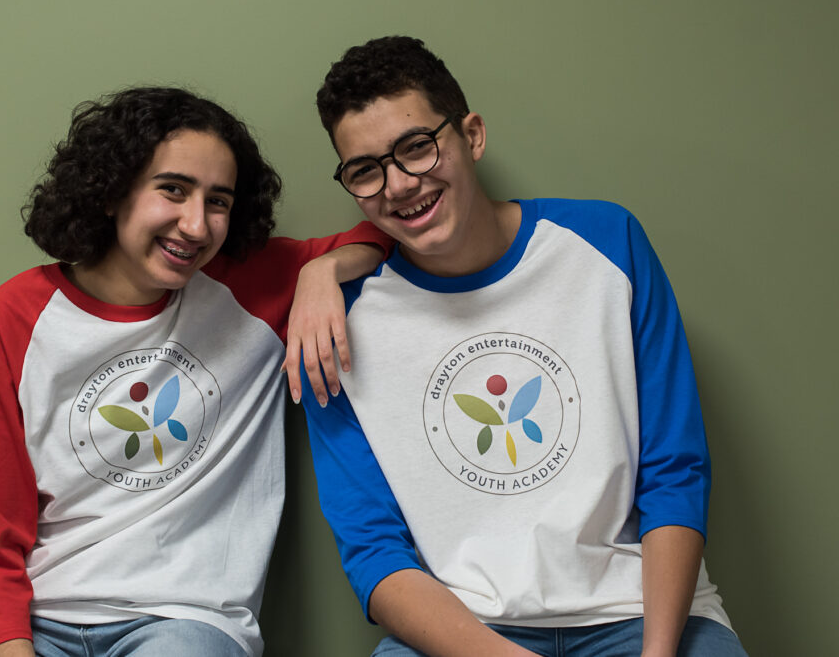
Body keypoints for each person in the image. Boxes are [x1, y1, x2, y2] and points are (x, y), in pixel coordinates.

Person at [299, 36, 747, 657]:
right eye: (366, 170)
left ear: (472, 136)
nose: (399, 185)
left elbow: (676, 471)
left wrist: (658, 651)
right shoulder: (331, 325)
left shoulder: (607, 245)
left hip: (645, 614)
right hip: (461, 635)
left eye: (417, 148)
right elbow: (373, 550)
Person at [0, 86, 389, 657]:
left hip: (184, 622)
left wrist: (323, 272)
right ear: (110, 191)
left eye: (217, 201)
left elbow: (389, 232)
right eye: (173, 190)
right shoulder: (12, 318)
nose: (195, 225)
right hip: (35, 621)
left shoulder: (247, 289)